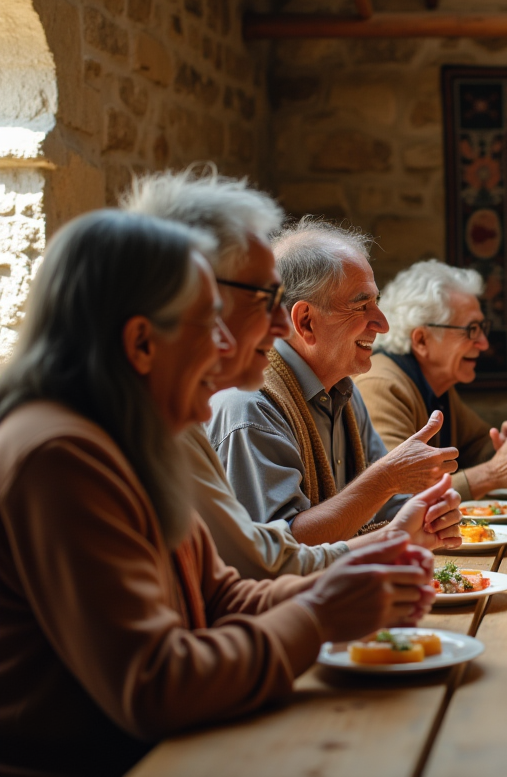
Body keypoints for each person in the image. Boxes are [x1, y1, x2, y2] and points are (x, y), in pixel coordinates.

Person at [0, 210, 441, 775]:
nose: (228, 345)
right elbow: (156, 686)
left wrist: (347, 583)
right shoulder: (60, 455)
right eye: (209, 323)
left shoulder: (136, 433)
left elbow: (219, 595)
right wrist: (320, 615)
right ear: (141, 343)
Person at [123, 169, 461, 577]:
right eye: (262, 300)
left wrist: (398, 533)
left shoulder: (180, 429)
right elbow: (265, 572)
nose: (279, 326)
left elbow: (245, 581)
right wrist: (387, 501)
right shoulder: (238, 408)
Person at [208, 219, 461, 546]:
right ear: (306, 321)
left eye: (377, 302)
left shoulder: (344, 390)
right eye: (362, 305)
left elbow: (388, 507)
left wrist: (429, 514)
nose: (382, 323)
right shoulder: (250, 406)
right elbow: (281, 552)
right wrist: (385, 479)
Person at [357, 261, 507, 500]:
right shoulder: (380, 386)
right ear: (421, 340)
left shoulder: (436, 383)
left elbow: (474, 447)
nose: (484, 344)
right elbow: (399, 495)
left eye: (482, 328)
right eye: (471, 330)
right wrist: (492, 473)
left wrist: (503, 446)